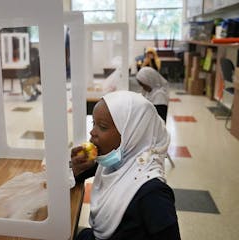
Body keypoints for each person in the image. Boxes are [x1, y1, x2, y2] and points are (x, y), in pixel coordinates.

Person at [71, 91, 180, 240]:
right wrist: (78, 167)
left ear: (132, 134)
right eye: (93, 123)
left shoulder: (153, 194)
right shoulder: (114, 160)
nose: (92, 132)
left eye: (102, 127)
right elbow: (76, 175)